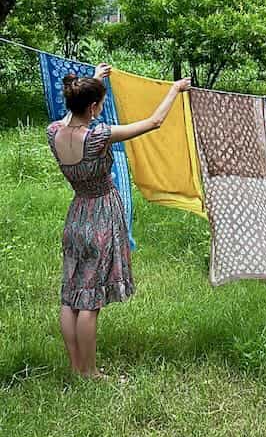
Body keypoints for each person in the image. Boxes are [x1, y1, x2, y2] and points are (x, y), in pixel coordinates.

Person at [46, 65, 191, 379]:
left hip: (76, 216)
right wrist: (175, 89)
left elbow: (75, 114)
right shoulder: (99, 136)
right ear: (94, 107)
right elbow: (154, 122)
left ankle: (76, 367)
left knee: (71, 294)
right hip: (101, 215)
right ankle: (91, 372)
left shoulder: (53, 131)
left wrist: (95, 82)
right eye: (98, 103)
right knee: (90, 301)